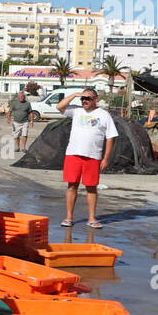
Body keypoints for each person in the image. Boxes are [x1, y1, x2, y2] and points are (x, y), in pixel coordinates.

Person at [56, 88, 117, 229]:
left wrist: (106, 158)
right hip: (73, 154)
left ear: (95, 99)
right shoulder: (76, 111)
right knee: (72, 186)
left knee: (91, 187)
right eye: (82, 99)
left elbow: (110, 137)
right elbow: (59, 106)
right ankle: (69, 217)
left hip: (93, 156)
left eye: (88, 98)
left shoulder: (104, 115)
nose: (84, 101)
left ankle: (91, 218)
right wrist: (75, 94)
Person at [7, 89, 33, 154]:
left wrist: (32, 121)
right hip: (16, 122)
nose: (21, 98)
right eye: (20, 97)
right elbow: (9, 111)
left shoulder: (27, 104)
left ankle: (23, 148)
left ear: (24, 97)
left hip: (25, 122)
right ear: (18, 97)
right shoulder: (14, 103)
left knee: (25, 134)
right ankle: (18, 147)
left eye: (22, 97)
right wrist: (8, 118)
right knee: (16, 135)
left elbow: (31, 113)